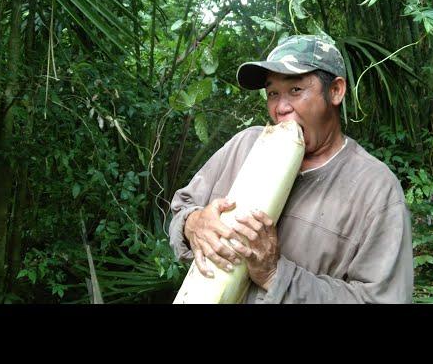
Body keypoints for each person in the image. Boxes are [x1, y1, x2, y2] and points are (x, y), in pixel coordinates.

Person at [169, 34, 413, 303]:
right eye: (273, 93)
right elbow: (183, 207)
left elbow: (381, 299)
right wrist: (193, 224)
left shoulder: (375, 188)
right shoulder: (246, 145)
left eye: (296, 90)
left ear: (335, 91)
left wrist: (276, 275)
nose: (281, 108)